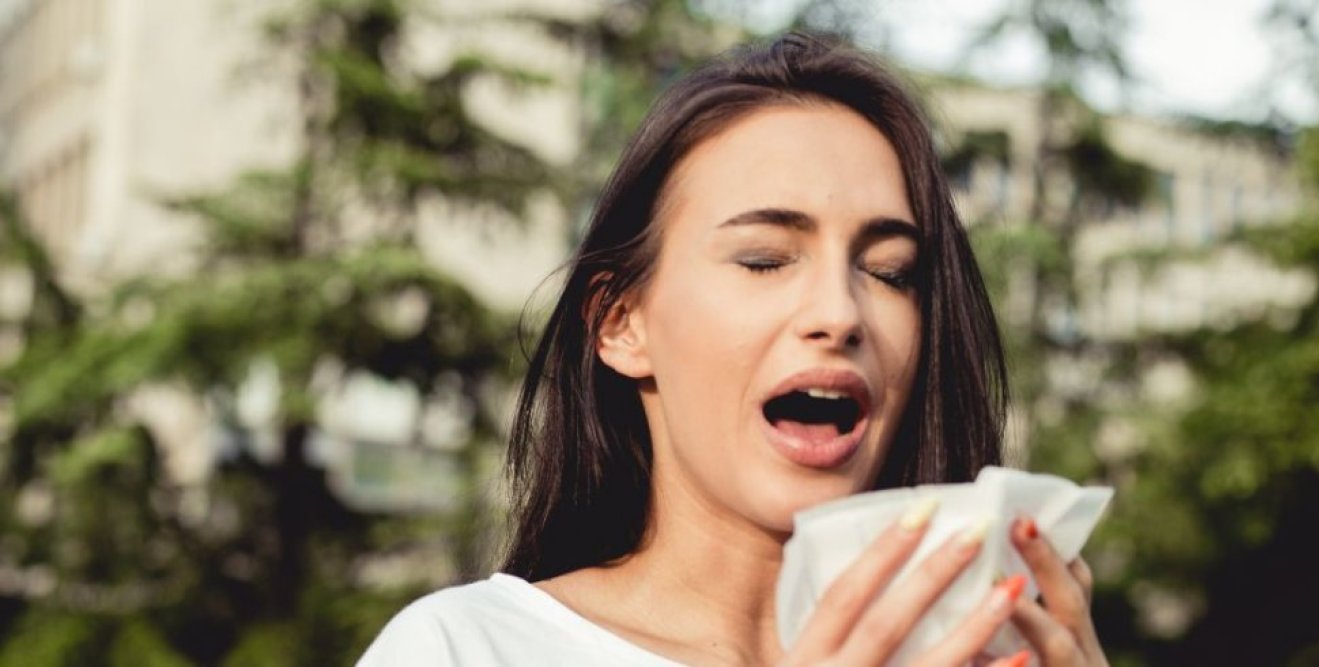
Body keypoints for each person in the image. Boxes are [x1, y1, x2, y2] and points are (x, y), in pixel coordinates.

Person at [359, 32, 1108, 666]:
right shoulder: (464, 647)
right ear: (622, 323)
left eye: (889, 272)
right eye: (764, 259)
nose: (839, 313)